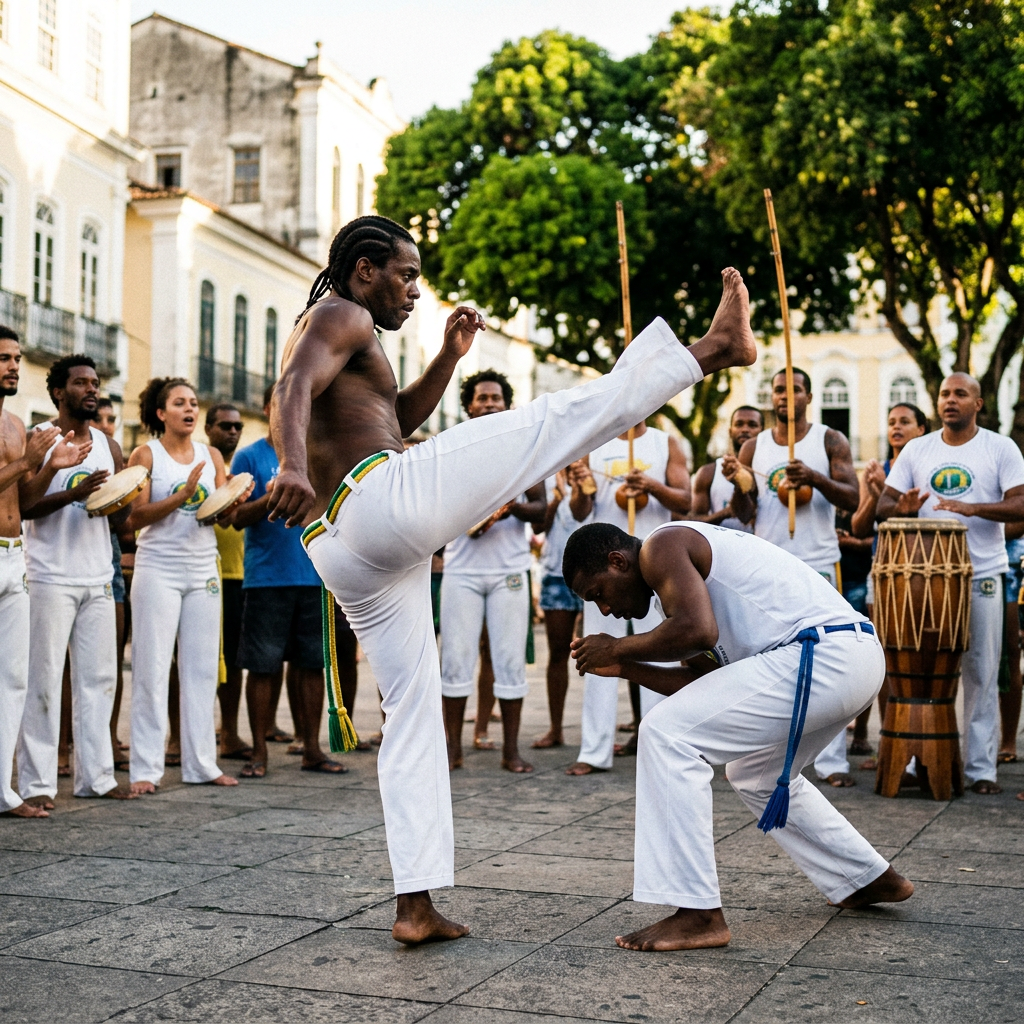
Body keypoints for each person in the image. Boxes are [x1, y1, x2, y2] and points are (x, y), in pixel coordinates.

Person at [266, 214, 755, 944]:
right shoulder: (338, 310)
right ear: (364, 269)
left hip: (341, 546)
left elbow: (390, 419)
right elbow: (292, 388)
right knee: (553, 421)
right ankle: (713, 349)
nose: (413, 292)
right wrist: (292, 465)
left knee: (411, 718)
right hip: (375, 501)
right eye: (406, 276)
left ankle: (415, 905)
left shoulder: (347, 330)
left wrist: (447, 361)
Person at [562, 520, 914, 951]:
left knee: (665, 733)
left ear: (618, 561)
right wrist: (627, 668)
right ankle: (866, 878)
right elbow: (706, 683)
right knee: (753, 773)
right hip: (846, 660)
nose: (603, 610)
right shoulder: (673, 591)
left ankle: (698, 914)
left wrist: (616, 647)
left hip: (822, 657)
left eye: (598, 592)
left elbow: (698, 631)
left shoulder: (662, 545)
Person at [877, 373, 1024, 796]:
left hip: (983, 573)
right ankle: (914, 758)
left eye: (960, 394)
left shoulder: (1000, 447)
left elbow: (1020, 502)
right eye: (944, 394)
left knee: (981, 669)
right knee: (919, 673)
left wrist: (973, 507)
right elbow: (885, 507)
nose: (950, 400)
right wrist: (901, 509)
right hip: (923, 579)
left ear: (978, 404)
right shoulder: (917, 450)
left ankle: (981, 769)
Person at [730, 368, 860, 787]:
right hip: (768, 565)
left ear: (809, 395)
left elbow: (853, 498)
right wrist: (740, 484)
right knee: (764, 660)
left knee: (830, 660)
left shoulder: (828, 440)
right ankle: (766, 756)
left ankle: (832, 760)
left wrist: (816, 478)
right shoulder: (754, 445)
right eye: (779, 390)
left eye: (795, 389)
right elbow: (744, 514)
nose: (786, 396)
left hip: (818, 562)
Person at [17, 355, 135, 806]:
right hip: (49, 576)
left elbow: (122, 520)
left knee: (99, 678)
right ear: (57, 392)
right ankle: (39, 785)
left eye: (95, 382)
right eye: (81, 383)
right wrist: (74, 491)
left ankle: (97, 778)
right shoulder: (40, 438)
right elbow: (25, 506)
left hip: (97, 576)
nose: (92, 389)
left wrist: (123, 496)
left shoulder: (109, 445)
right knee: (44, 682)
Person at [125, 377, 246, 794]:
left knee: (200, 670)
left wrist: (230, 500)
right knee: (152, 668)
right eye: (180, 403)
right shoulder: (147, 454)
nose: (190, 409)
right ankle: (145, 768)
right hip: (158, 567)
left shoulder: (211, 454)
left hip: (202, 568)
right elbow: (132, 519)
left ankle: (201, 764)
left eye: (194, 402)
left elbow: (223, 517)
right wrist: (184, 495)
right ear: (162, 414)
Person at [565, 417, 693, 775]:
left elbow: (685, 501)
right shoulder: (597, 442)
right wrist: (583, 489)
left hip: (652, 567)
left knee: (663, 653)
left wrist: (652, 486)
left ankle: (662, 743)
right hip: (603, 572)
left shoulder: (664, 442)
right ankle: (594, 750)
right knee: (595, 652)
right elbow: (579, 511)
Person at [230, 384, 345, 778]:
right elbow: (236, 517)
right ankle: (258, 753)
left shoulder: (318, 453)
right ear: (268, 411)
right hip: (266, 578)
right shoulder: (249, 456)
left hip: (315, 574)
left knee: (312, 666)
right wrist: (272, 497)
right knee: (262, 667)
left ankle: (312, 748)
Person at [440, 370, 547, 773]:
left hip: (510, 571)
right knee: (455, 659)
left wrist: (508, 507)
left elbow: (541, 512)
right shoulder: (452, 448)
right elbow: (437, 507)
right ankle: (452, 748)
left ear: (507, 404)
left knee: (509, 659)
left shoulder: (524, 450)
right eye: (481, 398)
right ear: (468, 406)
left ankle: (510, 750)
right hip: (462, 570)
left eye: (495, 398)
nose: (488, 404)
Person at [0, 329, 78, 818]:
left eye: (16, 358)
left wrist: (48, 469)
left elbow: (24, 504)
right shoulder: (20, 438)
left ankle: (3, 791)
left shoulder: (14, 424)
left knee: (13, 679)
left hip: (14, 555)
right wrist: (25, 462)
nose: (13, 365)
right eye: (4, 358)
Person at [849, 402, 928, 768]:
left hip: (925, 574)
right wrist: (877, 492)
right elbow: (860, 527)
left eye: (905, 422)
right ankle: (889, 747)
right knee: (885, 660)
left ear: (921, 429)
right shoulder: (880, 470)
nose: (896, 427)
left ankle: (920, 747)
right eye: (891, 421)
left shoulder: (925, 467)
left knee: (918, 660)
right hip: (884, 569)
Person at [532, 460, 592, 749]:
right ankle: (556, 729)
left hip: (596, 575)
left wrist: (581, 486)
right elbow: (539, 526)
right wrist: (556, 497)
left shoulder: (591, 475)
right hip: (557, 575)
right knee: (558, 652)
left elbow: (585, 511)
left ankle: (609, 730)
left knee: (608, 648)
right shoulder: (547, 479)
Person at [204, 402, 251, 760]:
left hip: (238, 576)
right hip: (203, 573)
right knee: (192, 659)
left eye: (236, 427)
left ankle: (230, 733)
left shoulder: (243, 471)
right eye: (224, 426)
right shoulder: (199, 464)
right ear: (208, 429)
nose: (232, 432)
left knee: (234, 662)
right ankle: (181, 736)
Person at [95, 396, 132, 768]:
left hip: (108, 559)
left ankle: (109, 737)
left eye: (112, 418)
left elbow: (124, 523)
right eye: (100, 417)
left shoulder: (114, 453)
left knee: (110, 660)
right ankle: (62, 746)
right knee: (64, 666)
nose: (107, 424)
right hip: (60, 564)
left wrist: (122, 488)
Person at [688, 406, 763, 531]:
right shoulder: (709, 472)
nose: (745, 429)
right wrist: (725, 513)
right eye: (739, 424)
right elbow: (694, 522)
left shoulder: (767, 471)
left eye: (752, 425)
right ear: (730, 431)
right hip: (720, 547)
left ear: (762, 432)